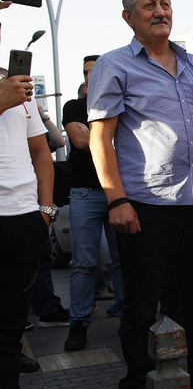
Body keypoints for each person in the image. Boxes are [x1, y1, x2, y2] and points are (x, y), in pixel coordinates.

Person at [86, 0, 193, 389]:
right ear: (128, 16)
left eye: (164, 4)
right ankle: (137, 377)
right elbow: (101, 137)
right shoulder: (114, 65)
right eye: (149, 5)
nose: (159, 12)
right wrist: (117, 200)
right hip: (146, 203)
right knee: (142, 299)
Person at [62, 54, 124, 352]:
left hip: (119, 191)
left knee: (121, 261)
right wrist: (106, 137)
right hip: (85, 193)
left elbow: (111, 141)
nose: (90, 76)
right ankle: (78, 324)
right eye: (86, 72)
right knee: (83, 263)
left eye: (95, 71)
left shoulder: (120, 102)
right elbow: (81, 141)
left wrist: (97, 135)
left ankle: (129, 322)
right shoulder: (73, 106)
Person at [0, 58, 55, 388]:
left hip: (23, 222)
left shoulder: (17, 85)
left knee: (9, 336)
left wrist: (45, 212)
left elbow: (40, 151)